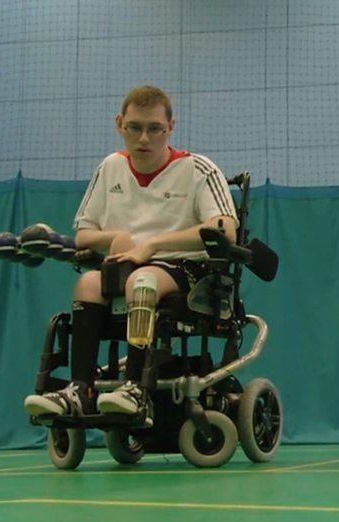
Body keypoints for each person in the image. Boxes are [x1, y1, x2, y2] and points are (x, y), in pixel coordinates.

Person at [23, 85, 238, 423]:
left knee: (142, 280)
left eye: (155, 129)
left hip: (185, 271)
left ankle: (136, 389)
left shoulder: (198, 169)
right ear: (119, 124)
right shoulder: (110, 167)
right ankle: (81, 391)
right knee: (88, 284)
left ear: (171, 127)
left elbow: (225, 229)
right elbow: (84, 235)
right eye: (134, 128)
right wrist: (116, 237)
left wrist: (151, 246)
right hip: (122, 268)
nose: (144, 138)